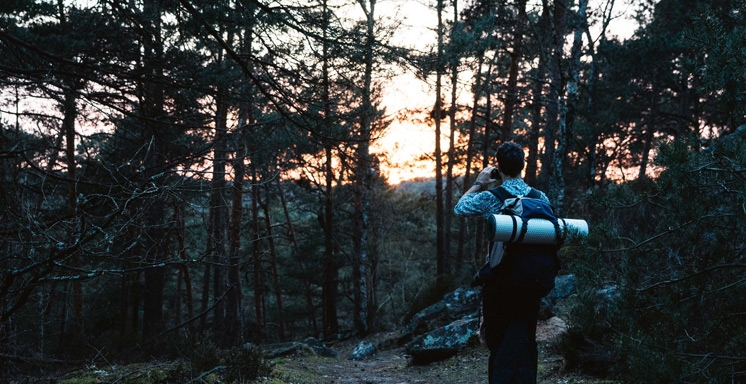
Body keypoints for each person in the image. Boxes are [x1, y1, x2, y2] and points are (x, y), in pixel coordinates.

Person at [454, 141, 551, 384]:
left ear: (499, 167)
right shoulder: (541, 198)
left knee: (499, 344)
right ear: (523, 166)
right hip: (532, 283)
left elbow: (460, 207)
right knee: (526, 341)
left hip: (500, 285)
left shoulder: (492, 197)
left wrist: (480, 182)